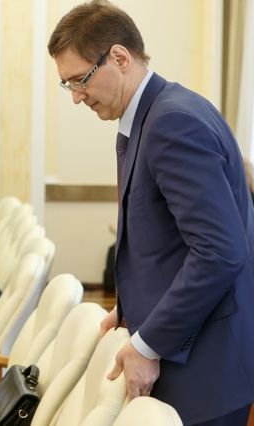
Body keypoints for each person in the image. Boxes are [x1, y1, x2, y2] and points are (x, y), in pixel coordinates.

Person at [48, 1, 254, 424]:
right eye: (67, 85)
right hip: (190, 349)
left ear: (120, 58)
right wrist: (129, 310)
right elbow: (164, 242)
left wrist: (149, 343)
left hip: (205, 367)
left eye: (80, 80)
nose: (76, 97)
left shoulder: (172, 123)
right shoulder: (150, 117)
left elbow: (219, 252)